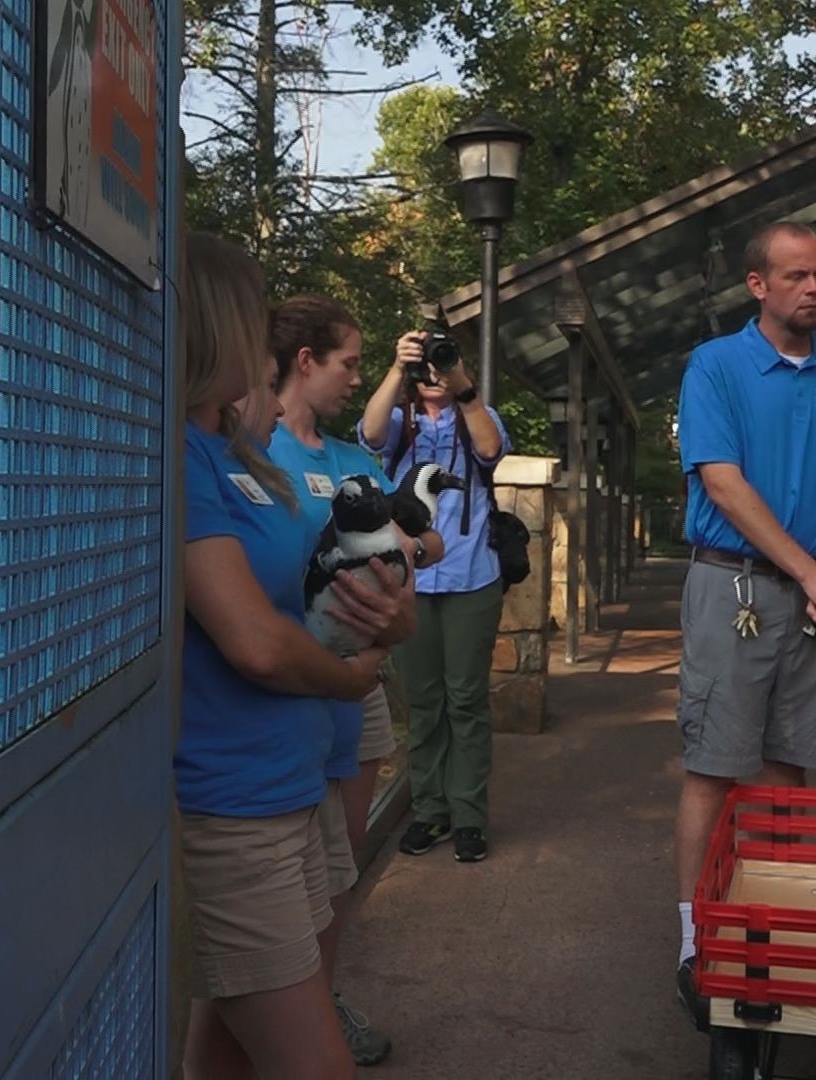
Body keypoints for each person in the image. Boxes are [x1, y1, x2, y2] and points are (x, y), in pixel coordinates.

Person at [177, 233, 412, 1080]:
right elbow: (256, 642)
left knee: (230, 1042)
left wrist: (389, 619)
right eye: (252, 315)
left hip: (296, 783)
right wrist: (351, 676)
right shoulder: (182, 456)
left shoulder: (236, 458)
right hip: (235, 804)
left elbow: (356, 592)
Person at [669, 220, 816, 1029]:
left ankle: (777, 921)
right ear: (757, 285)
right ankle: (698, 939)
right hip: (734, 586)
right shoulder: (717, 366)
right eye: (796, 276)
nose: (814, 288)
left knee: (797, 760)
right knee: (716, 761)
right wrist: (810, 573)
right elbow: (723, 483)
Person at [266, 294, 446, 1066]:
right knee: (284, 870)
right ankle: (290, 1008)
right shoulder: (249, 455)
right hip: (288, 695)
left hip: (359, 687)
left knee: (339, 859)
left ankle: (324, 994)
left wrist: (412, 550)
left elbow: (415, 540)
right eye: (347, 364)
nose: (354, 380)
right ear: (304, 362)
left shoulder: (350, 460)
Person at [359, 328, 510, 863]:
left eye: (441, 362)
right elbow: (372, 434)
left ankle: (469, 816)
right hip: (413, 579)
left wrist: (463, 386)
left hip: (473, 575)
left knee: (466, 699)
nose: (434, 373)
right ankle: (429, 811)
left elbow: (490, 450)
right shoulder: (400, 421)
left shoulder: (479, 416)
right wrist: (397, 368)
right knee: (423, 703)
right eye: (426, 363)